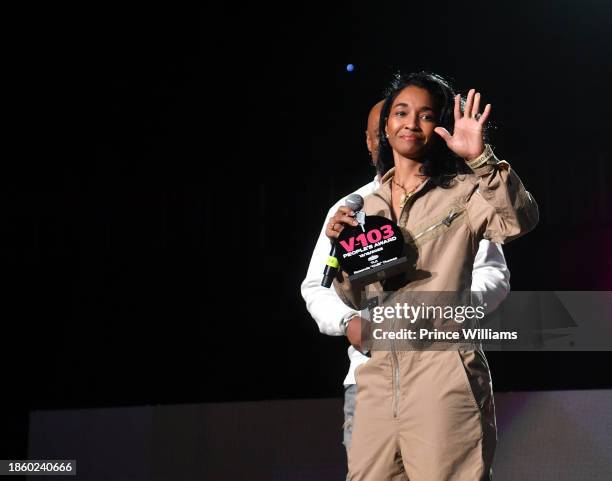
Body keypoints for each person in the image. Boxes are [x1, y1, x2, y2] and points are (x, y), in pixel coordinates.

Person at [325, 72, 538, 480]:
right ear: (385, 125)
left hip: (444, 376)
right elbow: (356, 298)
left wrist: (481, 159)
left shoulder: (464, 192)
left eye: (425, 115)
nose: (410, 123)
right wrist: (342, 254)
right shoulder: (363, 207)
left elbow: (519, 220)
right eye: (401, 113)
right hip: (376, 379)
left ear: (438, 126)